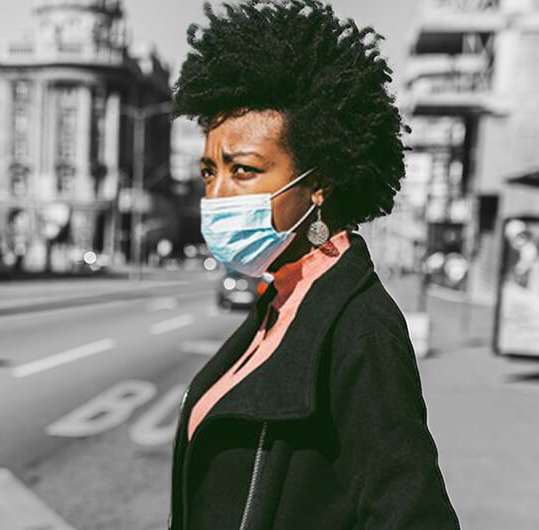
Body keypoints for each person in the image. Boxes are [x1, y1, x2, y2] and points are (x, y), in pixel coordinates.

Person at [169, 1, 459, 528]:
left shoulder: (361, 330)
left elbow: (414, 515)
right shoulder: (283, 295)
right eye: (210, 170)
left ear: (318, 183)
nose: (217, 194)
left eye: (245, 170)